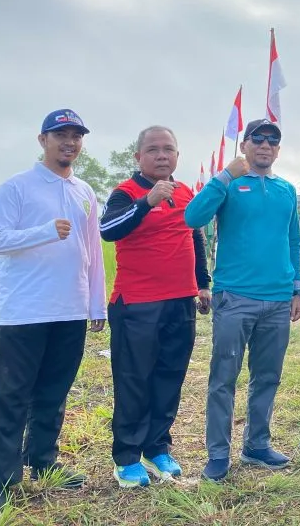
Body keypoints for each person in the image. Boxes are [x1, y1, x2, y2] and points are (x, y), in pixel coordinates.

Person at [0, 109, 106, 514]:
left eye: (76, 136)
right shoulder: (17, 187)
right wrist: (44, 231)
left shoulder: (85, 192)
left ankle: (43, 461)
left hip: (69, 310)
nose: (69, 142)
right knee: (10, 397)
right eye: (60, 135)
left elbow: (93, 253)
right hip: (23, 312)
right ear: (43, 140)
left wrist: (95, 303)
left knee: (54, 392)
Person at [184, 119, 300, 481]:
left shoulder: (285, 190)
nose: (265, 145)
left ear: (278, 150)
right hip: (235, 297)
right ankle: (218, 453)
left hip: (278, 300)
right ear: (245, 145)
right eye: (258, 139)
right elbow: (193, 217)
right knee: (224, 378)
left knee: (267, 377)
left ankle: (256, 445)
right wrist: (223, 176)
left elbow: (293, 242)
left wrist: (297, 288)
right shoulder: (230, 184)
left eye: (273, 140)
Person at [99, 126, 212, 488]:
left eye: (168, 149)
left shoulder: (185, 192)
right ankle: (127, 456)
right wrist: (146, 202)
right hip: (137, 304)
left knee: (169, 376)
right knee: (134, 380)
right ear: (139, 157)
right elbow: (109, 229)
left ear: (177, 156)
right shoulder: (126, 193)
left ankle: (157, 446)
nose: (162, 155)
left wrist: (203, 284)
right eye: (153, 150)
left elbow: (194, 237)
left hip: (180, 300)